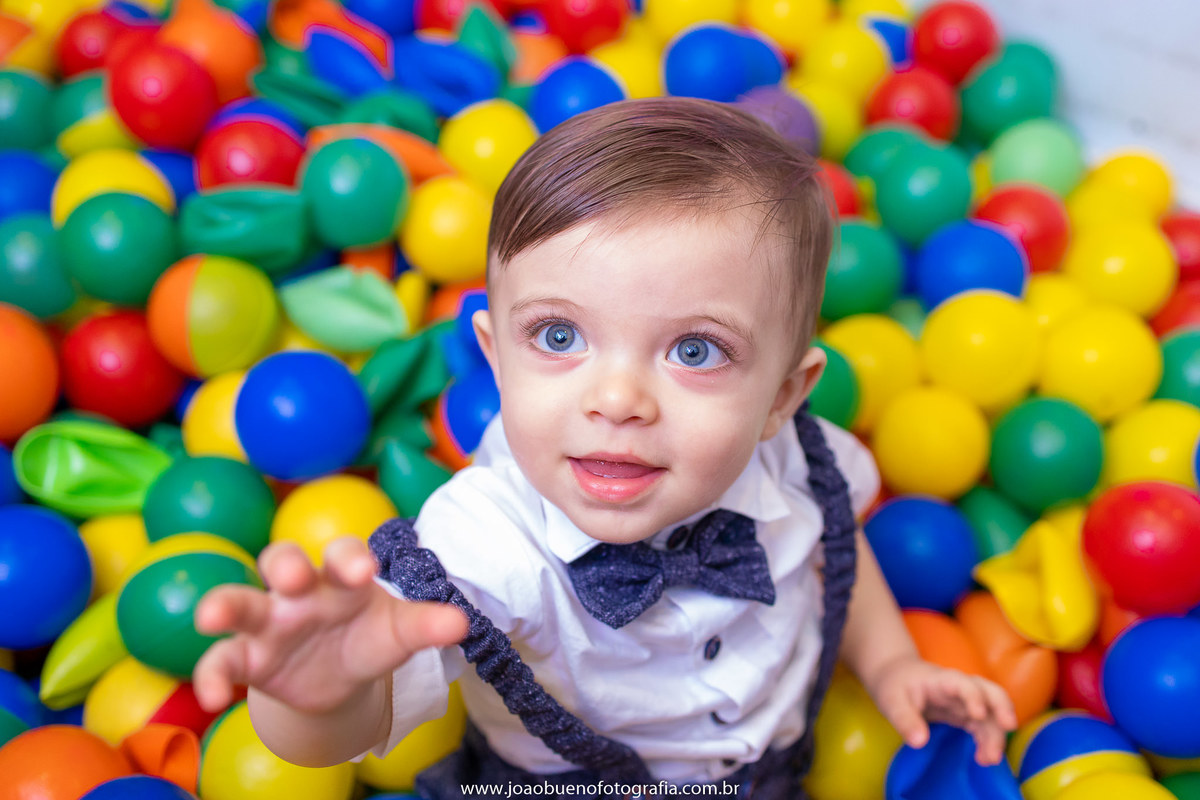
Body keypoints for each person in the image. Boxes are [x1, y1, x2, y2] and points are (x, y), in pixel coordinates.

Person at [192, 97, 1016, 798]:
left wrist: (892, 665)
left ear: (783, 398)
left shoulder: (803, 458)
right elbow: (344, 725)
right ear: (493, 353)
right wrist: (317, 690)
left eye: (695, 350)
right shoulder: (482, 540)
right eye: (558, 335)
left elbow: (835, 551)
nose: (617, 400)